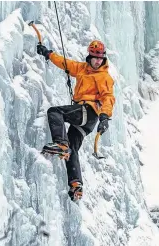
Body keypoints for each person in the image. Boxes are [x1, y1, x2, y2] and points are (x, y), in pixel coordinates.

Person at [37, 40, 115, 201]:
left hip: (88, 112)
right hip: (86, 121)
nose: (98, 61)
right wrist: (48, 53)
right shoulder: (82, 68)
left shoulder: (104, 77)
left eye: (101, 58)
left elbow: (108, 97)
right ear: (90, 57)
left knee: (55, 111)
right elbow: (65, 63)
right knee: (73, 148)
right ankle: (76, 185)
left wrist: (105, 117)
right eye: (95, 57)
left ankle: (60, 143)